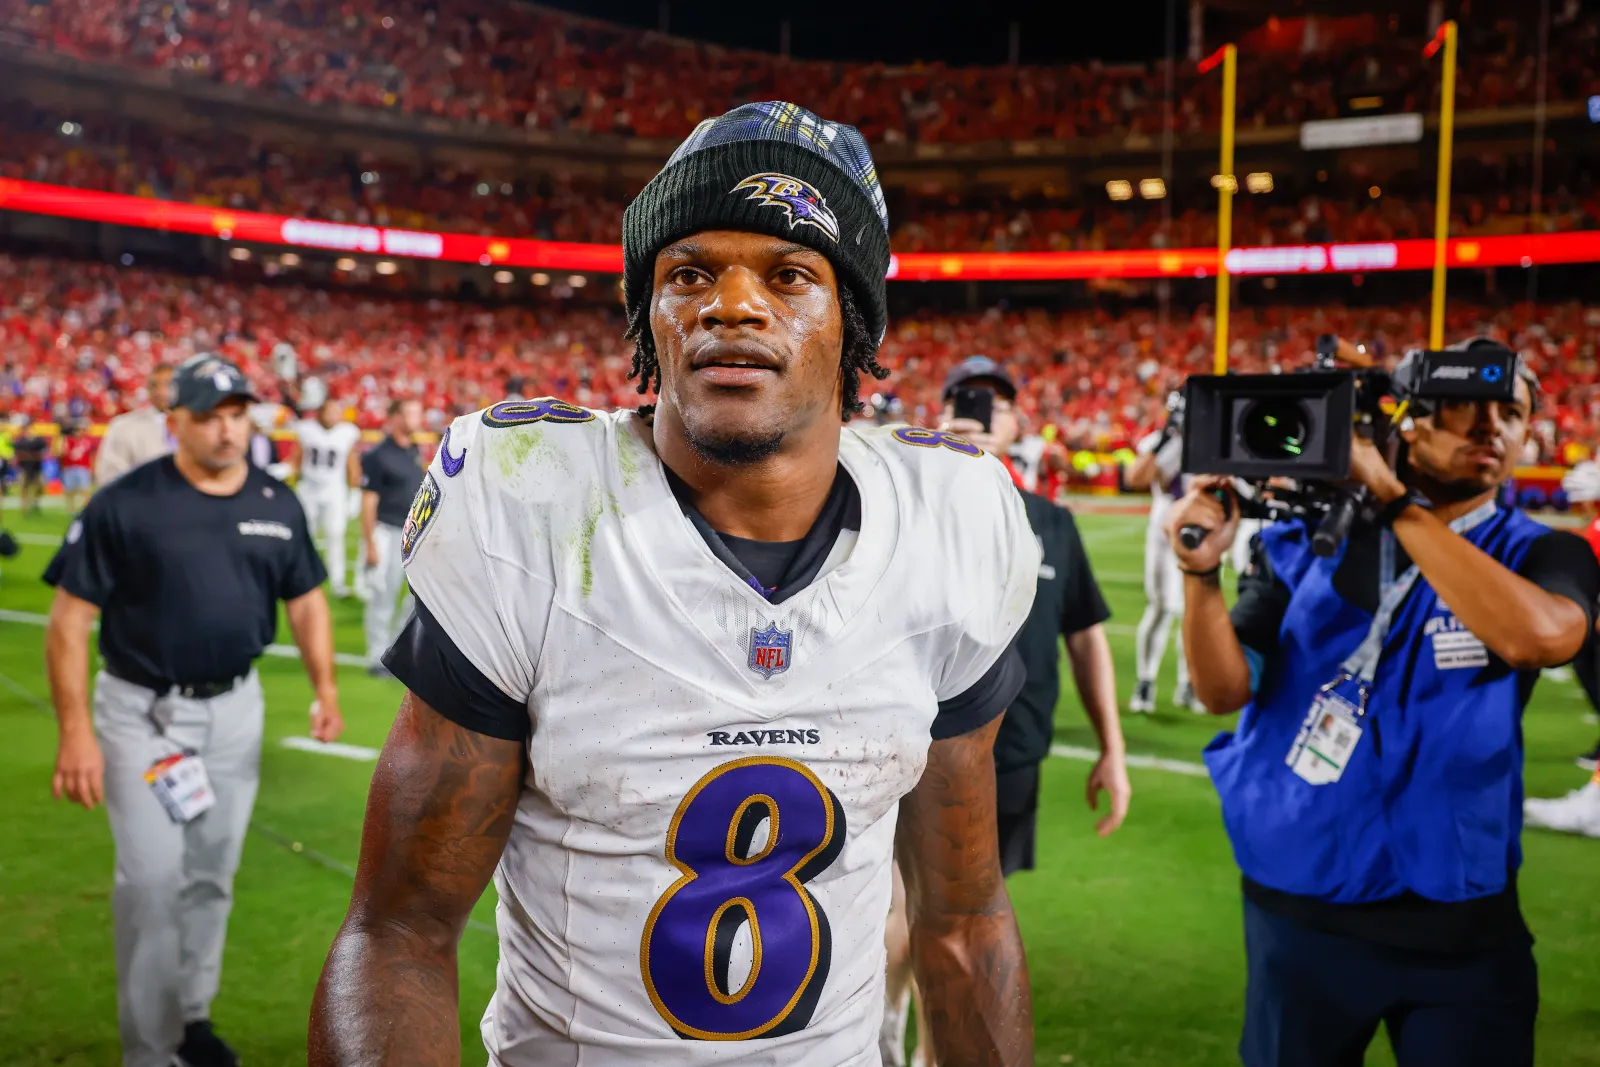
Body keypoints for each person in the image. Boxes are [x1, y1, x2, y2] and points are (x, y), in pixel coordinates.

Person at [311, 101, 1039, 1067]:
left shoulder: (950, 516)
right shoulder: (536, 503)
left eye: (790, 275)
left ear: (853, 319)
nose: (731, 305)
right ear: (647, 314)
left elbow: (963, 919)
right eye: (689, 272)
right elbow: (399, 929)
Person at [1166, 341, 1600, 1067]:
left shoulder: (1539, 551)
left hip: (1459, 917)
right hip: (1303, 907)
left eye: (1511, 412)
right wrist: (1198, 575)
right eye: (1462, 406)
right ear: (1405, 422)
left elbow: (1540, 637)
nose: (1490, 427)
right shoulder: (1298, 542)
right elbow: (1222, 689)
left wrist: (1394, 502)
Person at [43, 354, 344, 1067]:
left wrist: (325, 688)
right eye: (207, 415)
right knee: (151, 879)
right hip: (141, 714)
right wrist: (76, 731)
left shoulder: (276, 502)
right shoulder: (127, 502)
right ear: (174, 420)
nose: (225, 430)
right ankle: (148, 1051)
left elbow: (305, 600)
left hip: (235, 710)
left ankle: (190, 1020)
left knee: (211, 874)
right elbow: (67, 620)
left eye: (236, 413)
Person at [879, 356, 1131, 1066]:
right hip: (911, 746)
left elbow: (1086, 636)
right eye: (967, 404)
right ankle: (883, 1040)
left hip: (1013, 751)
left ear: (1019, 423)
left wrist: (1111, 746)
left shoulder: (1050, 520)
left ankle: (929, 1051)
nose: (984, 416)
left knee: (966, 913)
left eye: (995, 406)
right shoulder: (907, 509)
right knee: (901, 909)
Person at [1123, 397, 1196, 713]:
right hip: (1165, 530)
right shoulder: (1158, 441)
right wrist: (1166, 438)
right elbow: (1134, 479)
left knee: (1195, 610)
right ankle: (1146, 680)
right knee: (1163, 606)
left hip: (1202, 529)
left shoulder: (1215, 441)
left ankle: (1189, 683)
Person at [358, 397, 424, 673]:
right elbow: (368, 502)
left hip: (410, 534)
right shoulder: (377, 455)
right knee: (382, 597)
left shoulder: (414, 451)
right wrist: (370, 542)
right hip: (385, 531)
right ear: (395, 416)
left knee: (414, 599)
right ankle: (376, 656)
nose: (416, 418)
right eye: (410, 411)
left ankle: (395, 652)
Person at [292, 399, 363, 598]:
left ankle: (337, 581)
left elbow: (352, 464)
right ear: (320, 413)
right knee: (307, 535)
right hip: (309, 489)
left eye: (335, 412)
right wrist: (288, 474)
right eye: (329, 411)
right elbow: (296, 459)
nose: (332, 416)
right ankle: (304, 577)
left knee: (335, 534)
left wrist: (355, 492)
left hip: (334, 490)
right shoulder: (306, 430)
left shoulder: (347, 433)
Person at [96, 364, 175, 485]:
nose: (161, 391)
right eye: (154, 385)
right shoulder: (123, 427)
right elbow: (110, 479)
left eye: (168, 384)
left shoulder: (198, 424)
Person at [12, 417, 50, 514]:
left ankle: (35, 503)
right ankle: (25, 507)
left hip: (37, 468)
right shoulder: (19, 440)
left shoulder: (39, 440)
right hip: (24, 468)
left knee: (40, 487)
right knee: (24, 487)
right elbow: (17, 453)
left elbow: (44, 452)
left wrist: (31, 455)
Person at [60, 419, 98, 513]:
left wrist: (92, 468)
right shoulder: (68, 440)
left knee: (85, 489)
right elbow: (62, 453)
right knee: (70, 490)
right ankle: (70, 508)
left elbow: (91, 455)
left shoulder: (87, 441)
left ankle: (86, 508)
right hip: (70, 467)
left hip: (83, 467)